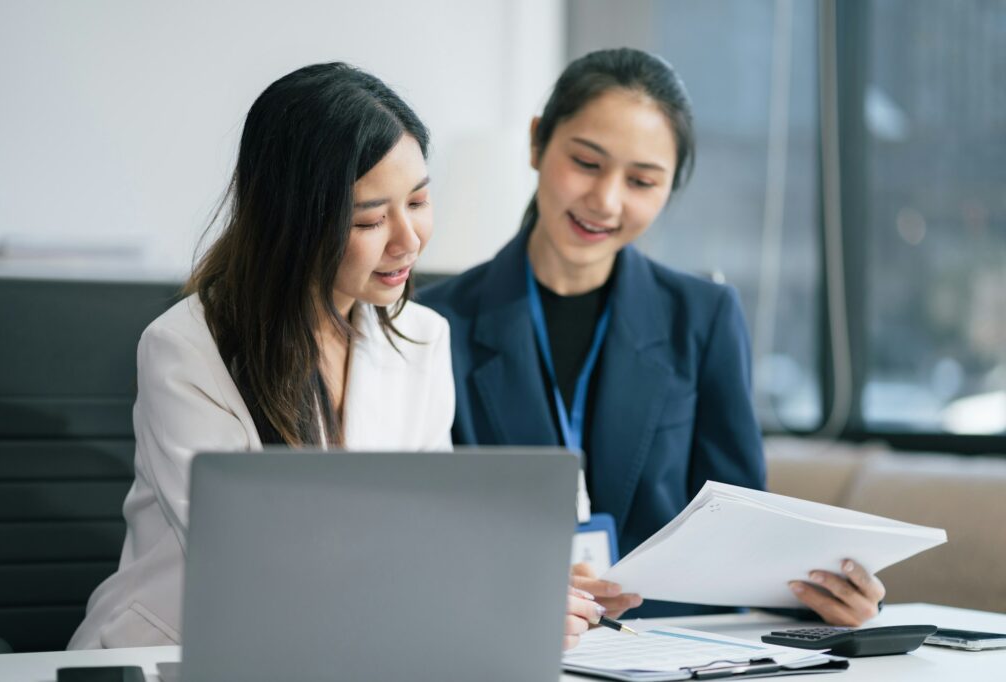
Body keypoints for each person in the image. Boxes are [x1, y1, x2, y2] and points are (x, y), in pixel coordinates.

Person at [418, 48, 886, 641]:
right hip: (504, 643)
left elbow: (740, 533)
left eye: (641, 181)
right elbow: (421, 539)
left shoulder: (704, 317)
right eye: (586, 162)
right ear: (538, 143)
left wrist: (827, 599)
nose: (607, 201)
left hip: (671, 653)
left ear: (671, 187)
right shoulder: (434, 324)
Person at [68, 63, 455, 649]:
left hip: (354, 645)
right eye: (371, 219)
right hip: (186, 650)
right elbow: (254, 561)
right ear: (297, 221)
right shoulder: (187, 351)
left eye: (419, 201)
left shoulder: (423, 337)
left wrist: (512, 583)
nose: (409, 239)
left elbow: (432, 524)